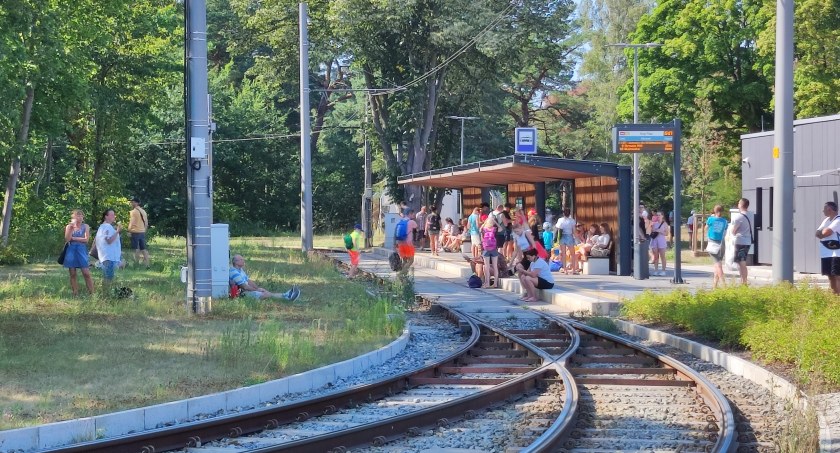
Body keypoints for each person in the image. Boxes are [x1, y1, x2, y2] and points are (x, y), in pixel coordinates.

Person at [229, 254, 300, 300]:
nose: (243, 261)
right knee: (265, 294)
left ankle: (286, 295)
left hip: (247, 291)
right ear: (236, 262)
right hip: (242, 294)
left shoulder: (240, 270)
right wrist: (256, 290)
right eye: (241, 260)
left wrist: (257, 288)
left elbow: (248, 281)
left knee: (264, 291)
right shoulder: (234, 272)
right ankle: (286, 297)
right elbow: (244, 287)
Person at [63, 209, 94, 296]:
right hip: (71, 250)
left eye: (81, 216)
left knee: (86, 272)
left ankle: (92, 293)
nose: (80, 217)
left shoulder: (86, 226)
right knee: (72, 273)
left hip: (81, 250)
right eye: (77, 215)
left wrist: (74, 238)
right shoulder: (69, 227)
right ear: (73, 217)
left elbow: (86, 240)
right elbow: (67, 239)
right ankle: (75, 293)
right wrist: (71, 228)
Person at [95, 209, 123, 292]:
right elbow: (109, 240)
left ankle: (107, 292)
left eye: (114, 215)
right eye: (112, 215)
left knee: (108, 276)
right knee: (108, 277)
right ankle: (106, 293)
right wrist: (117, 231)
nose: (114, 216)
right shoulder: (106, 227)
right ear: (106, 216)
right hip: (108, 256)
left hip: (107, 256)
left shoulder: (103, 227)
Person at [815, 201, 840, 295]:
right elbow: (817, 233)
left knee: (837, 275)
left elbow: (825, 233)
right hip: (826, 252)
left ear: (829, 209)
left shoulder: (838, 220)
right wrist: (823, 232)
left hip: (837, 253)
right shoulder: (826, 220)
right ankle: (834, 296)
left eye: (824, 209)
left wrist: (823, 232)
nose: (823, 211)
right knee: (830, 276)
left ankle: (838, 298)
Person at [728, 198, 752, 284]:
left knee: (741, 261)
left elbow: (733, 231)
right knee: (742, 260)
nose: (737, 204)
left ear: (741, 205)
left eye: (738, 203)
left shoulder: (738, 217)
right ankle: (743, 280)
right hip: (748, 240)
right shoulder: (750, 215)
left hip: (740, 241)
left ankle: (744, 281)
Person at [706, 205, 728, 288]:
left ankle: (724, 284)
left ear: (714, 211)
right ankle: (714, 285)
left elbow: (705, 228)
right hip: (722, 244)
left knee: (718, 265)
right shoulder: (725, 221)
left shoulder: (710, 219)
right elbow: (725, 232)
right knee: (717, 264)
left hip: (713, 243)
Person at [128, 197, 150, 267]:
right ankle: (147, 264)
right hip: (142, 232)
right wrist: (144, 230)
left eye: (132, 202)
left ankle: (136, 264)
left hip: (135, 232)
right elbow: (146, 223)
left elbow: (132, 222)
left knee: (135, 249)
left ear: (136, 203)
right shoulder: (143, 211)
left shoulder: (134, 212)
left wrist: (129, 230)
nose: (131, 203)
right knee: (143, 249)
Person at [555, 208, 577, 275]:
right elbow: (574, 231)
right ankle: (573, 269)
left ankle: (565, 270)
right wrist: (575, 238)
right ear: (569, 213)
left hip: (562, 236)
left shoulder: (560, 220)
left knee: (563, 254)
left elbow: (558, 228)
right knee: (572, 254)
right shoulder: (572, 221)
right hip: (569, 236)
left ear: (563, 213)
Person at [480, 215, 500, 288]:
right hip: (494, 249)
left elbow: (480, 229)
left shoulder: (484, 229)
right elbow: (501, 228)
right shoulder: (494, 229)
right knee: (495, 266)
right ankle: (495, 283)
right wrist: (495, 222)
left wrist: (485, 222)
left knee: (486, 267)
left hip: (486, 249)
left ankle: (487, 283)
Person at [649, 211, 669, 276]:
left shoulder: (664, 224)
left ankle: (663, 270)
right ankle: (656, 270)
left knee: (662, 256)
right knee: (655, 256)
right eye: (657, 215)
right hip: (655, 240)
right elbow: (650, 231)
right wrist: (652, 228)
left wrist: (660, 231)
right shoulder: (654, 223)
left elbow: (666, 233)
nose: (658, 216)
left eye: (659, 215)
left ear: (662, 216)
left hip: (661, 241)